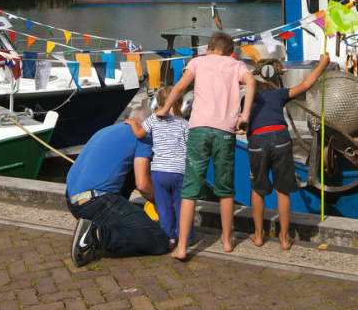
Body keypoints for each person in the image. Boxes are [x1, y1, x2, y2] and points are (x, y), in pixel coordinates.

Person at [159, 31, 256, 259]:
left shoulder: (198, 62)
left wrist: (164, 109)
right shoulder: (236, 65)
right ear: (230, 50)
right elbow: (251, 82)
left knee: (190, 190)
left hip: (199, 130)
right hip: (225, 131)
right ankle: (226, 241)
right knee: (225, 189)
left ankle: (182, 247)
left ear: (209, 47)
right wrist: (245, 114)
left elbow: (180, 87)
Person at [65, 105, 169, 266]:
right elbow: (143, 185)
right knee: (158, 238)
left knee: (130, 173)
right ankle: (96, 236)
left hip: (73, 200)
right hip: (95, 201)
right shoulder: (142, 136)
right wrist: (165, 206)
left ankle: (95, 227)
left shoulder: (106, 131)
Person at [246, 53, 330, 250]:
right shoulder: (278, 94)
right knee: (283, 190)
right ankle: (284, 238)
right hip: (280, 138)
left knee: (258, 189)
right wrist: (322, 65)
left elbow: (247, 127)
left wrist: (254, 165)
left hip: (257, 140)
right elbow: (305, 85)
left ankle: (258, 236)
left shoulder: (247, 100)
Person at [126, 86, 191, 247]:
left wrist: (133, 123)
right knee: (183, 206)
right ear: (180, 102)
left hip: (160, 171)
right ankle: (186, 238)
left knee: (164, 207)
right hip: (180, 171)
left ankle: (168, 237)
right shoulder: (184, 123)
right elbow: (190, 147)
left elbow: (139, 134)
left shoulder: (153, 119)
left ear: (158, 103)